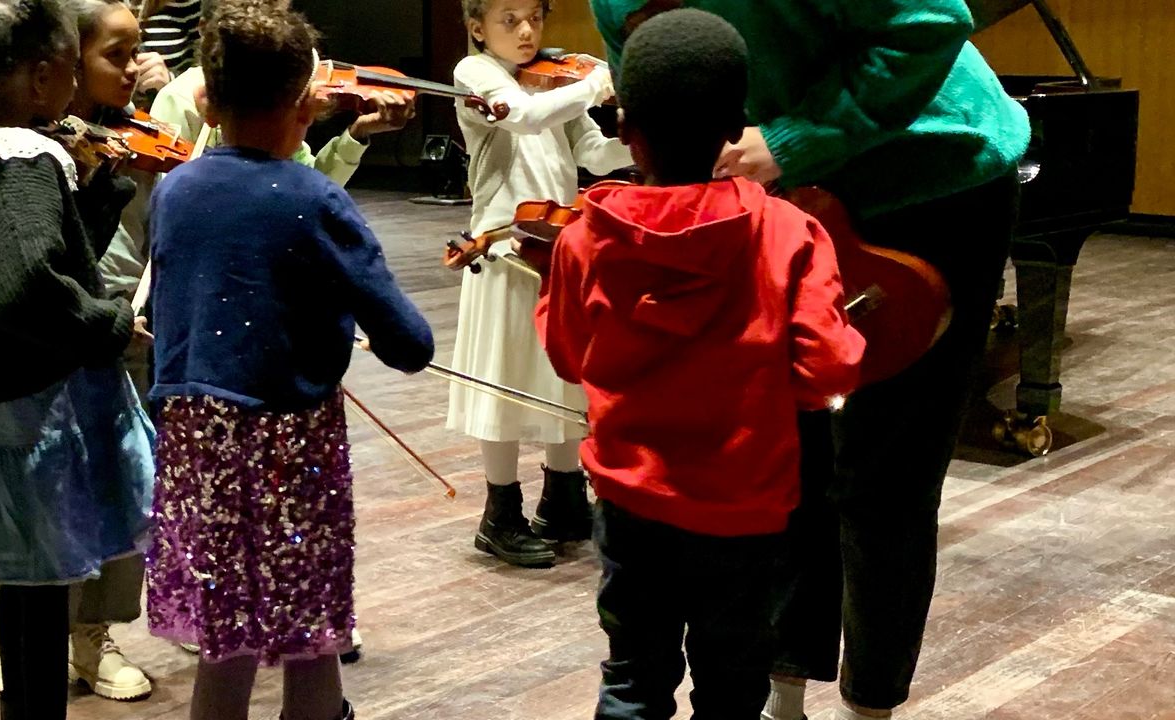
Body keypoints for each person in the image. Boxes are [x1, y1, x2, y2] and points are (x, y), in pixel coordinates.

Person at [590, 2, 1032, 719]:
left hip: (927, 172)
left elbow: (929, 20)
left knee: (887, 482)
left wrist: (792, 141)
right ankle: (782, 698)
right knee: (779, 466)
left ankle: (869, 706)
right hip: (776, 197)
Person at [534, 9, 864, 718]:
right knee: (733, 686)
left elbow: (566, 354)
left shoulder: (584, 238)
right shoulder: (790, 232)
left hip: (630, 503)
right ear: (736, 126)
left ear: (625, 126)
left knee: (633, 679)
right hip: (746, 511)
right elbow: (828, 371)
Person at [143, 1, 434, 718]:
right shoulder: (314, 196)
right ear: (307, 105)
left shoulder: (174, 189)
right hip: (288, 440)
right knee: (309, 610)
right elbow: (409, 342)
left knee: (227, 622)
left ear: (206, 104)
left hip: (199, 440)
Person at [0, 1, 154, 718]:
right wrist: (110, 324)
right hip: (29, 420)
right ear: (45, 77)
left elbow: (49, 255)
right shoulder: (18, 166)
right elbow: (21, 284)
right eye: (75, 69)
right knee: (40, 601)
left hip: (7, 410)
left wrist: (101, 187)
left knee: (30, 596)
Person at [447, 0, 633, 568]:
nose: (526, 31)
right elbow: (523, 116)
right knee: (502, 382)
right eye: (509, 20)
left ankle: (564, 500)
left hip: (559, 246)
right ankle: (500, 515)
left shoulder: (553, 81)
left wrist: (642, 139)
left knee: (563, 376)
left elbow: (594, 155)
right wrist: (596, 83)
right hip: (503, 247)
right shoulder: (475, 72)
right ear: (478, 28)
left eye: (534, 18)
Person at [148, 0, 415, 191]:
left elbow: (310, 182)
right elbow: (174, 198)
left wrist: (357, 134)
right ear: (206, 29)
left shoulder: (279, 94)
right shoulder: (181, 98)